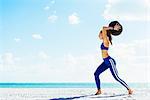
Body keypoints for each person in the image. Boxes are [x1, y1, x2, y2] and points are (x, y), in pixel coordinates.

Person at [94, 21, 133, 95]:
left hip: (110, 61)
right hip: (105, 62)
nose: (99, 36)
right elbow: (104, 30)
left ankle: (129, 89)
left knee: (116, 77)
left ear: (103, 34)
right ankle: (99, 90)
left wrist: (112, 28)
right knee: (96, 74)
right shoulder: (104, 40)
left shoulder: (106, 40)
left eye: (100, 34)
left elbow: (104, 28)